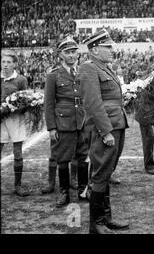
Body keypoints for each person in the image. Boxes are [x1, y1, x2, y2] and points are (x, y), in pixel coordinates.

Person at [78, 29, 129, 233]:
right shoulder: (88, 68)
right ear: (95, 50)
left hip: (117, 124)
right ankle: (95, 224)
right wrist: (106, 131)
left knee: (106, 172)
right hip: (105, 128)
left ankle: (106, 218)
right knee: (100, 174)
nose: (111, 50)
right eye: (107, 47)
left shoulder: (105, 67)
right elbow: (92, 102)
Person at [41, 37, 89, 207]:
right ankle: (64, 193)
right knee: (62, 159)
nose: (71, 55)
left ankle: (83, 190)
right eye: (67, 52)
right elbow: (49, 104)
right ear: (60, 55)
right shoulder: (53, 75)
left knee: (83, 157)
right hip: (63, 123)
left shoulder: (83, 71)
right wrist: (52, 127)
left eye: (74, 51)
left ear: (78, 53)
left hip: (82, 121)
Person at [1, 50, 31, 197]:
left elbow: (26, 101)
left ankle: (18, 185)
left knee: (17, 153)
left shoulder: (20, 80)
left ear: (14, 64)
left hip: (15, 119)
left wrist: (13, 108)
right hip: (0, 121)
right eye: (3, 62)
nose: (5, 65)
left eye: (8, 62)